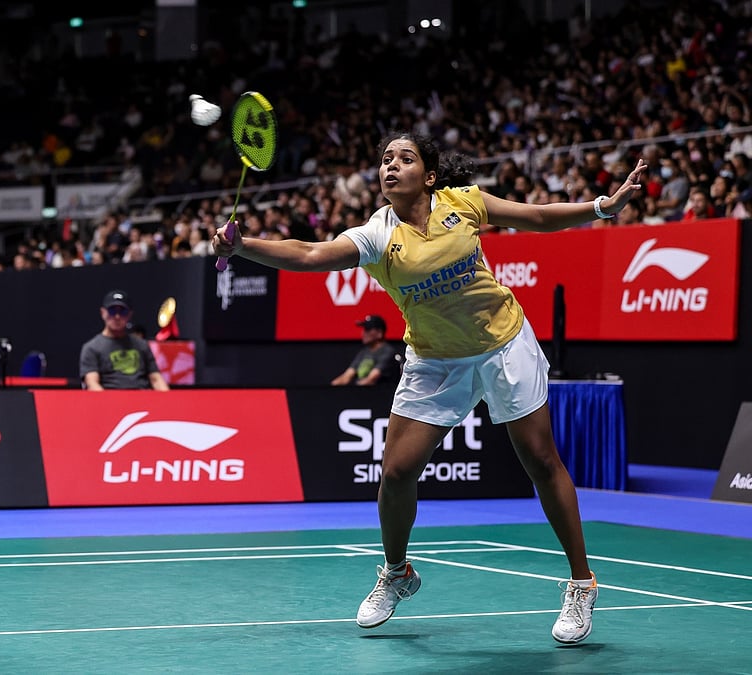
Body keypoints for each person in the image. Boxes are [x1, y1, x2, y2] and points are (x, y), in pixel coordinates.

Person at [213, 131, 649, 644]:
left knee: (540, 459)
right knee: (397, 472)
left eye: (405, 158)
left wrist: (602, 206)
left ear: (430, 175)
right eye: (385, 159)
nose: (391, 166)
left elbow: (534, 216)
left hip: (503, 342)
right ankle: (397, 573)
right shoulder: (378, 234)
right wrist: (244, 246)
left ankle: (582, 583)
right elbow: (310, 253)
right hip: (436, 359)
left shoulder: (462, 203)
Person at [79, 289, 169, 391]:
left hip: (142, 397)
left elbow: (156, 379)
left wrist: (169, 398)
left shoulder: (142, 345)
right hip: (109, 397)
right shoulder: (91, 348)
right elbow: (92, 384)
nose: (117, 316)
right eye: (112, 311)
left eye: (123, 312)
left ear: (130, 314)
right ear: (102, 313)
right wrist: (108, 400)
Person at [330, 314, 401, 386]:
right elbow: (347, 376)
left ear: (379, 333)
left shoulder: (388, 352)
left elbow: (372, 379)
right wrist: (330, 388)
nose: (363, 333)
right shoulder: (364, 352)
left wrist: (354, 390)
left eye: (368, 329)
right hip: (360, 391)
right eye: (364, 329)